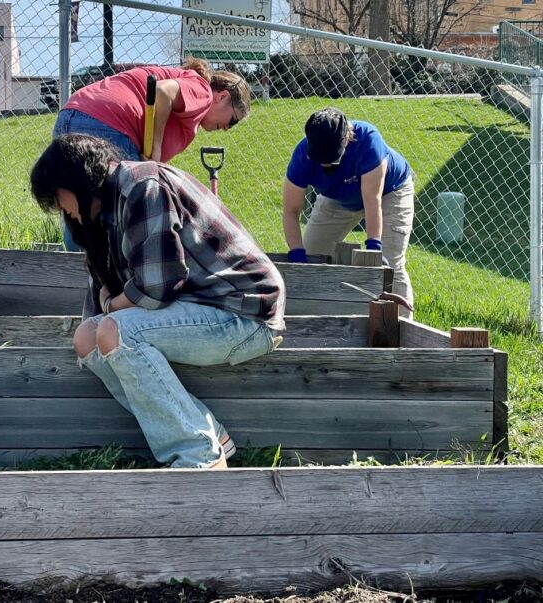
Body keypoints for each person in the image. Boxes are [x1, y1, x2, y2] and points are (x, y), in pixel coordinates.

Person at [30, 134, 286, 469]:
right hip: (202, 311)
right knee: (86, 339)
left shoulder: (141, 187)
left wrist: (110, 307)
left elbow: (158, 287)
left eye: (57, 197)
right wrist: (103, 313)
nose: (60, 208)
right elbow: (103, 304)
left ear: (76, 180)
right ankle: (211, 434)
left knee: (117, 333)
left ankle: (199, 454)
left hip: (243, 313)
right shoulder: (105, 211)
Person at [53, 56, 251, 250]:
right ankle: (112, 280)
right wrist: (155, 147)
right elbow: (162, 92)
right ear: (222, 96)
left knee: (78, 213)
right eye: (233, 120)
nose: (227, 128)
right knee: (120, 223)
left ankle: (77, 274)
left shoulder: (188, 111)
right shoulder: (202, 90)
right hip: (109, 127)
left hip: (71, 115)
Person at [282, 107, 415, 314]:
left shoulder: (367, 141)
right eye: (320, 160)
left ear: (346, 140)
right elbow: (290, 210)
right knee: (312, 257)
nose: (326, 165)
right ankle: (310, 321)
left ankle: (403, 331)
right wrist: (298, 256)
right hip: (336, 197)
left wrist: (374, 250)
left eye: (332, 159)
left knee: (390, 266)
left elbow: (373, 200)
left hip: (390, 193)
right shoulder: (302, 156)